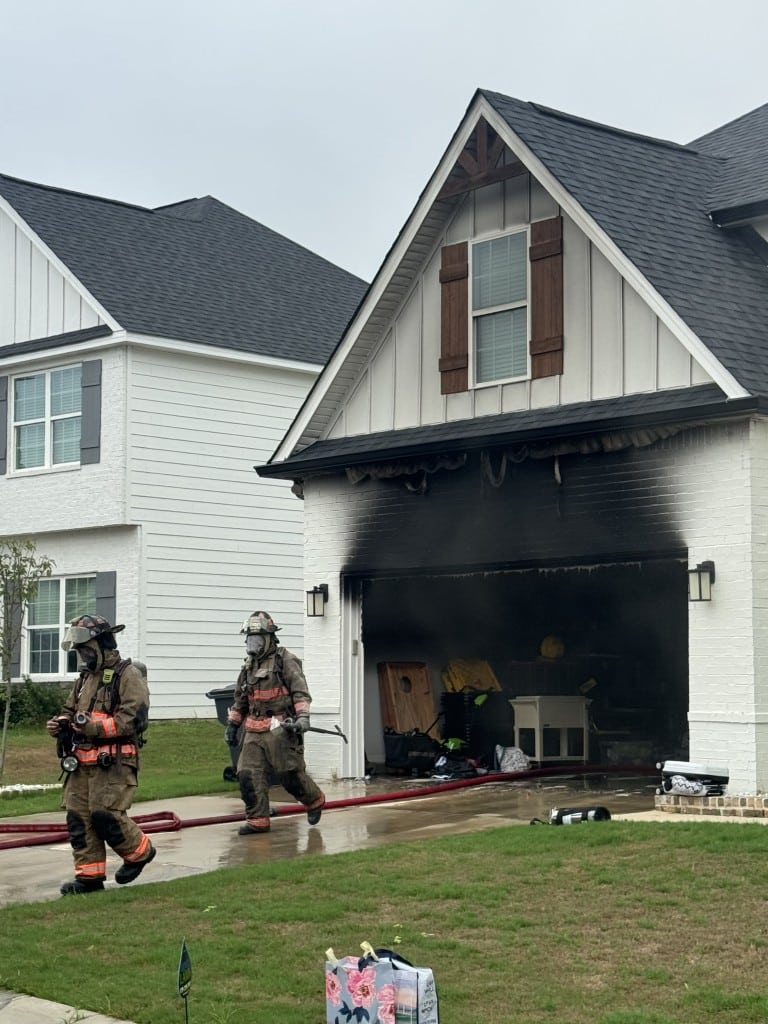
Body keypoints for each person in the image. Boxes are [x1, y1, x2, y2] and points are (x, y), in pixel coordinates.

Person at [45, 614, 154, 895]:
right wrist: (60, 723)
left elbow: (133, 719)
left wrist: (92, 727)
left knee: (105, 815)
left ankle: (140, 852)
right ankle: (89, 878)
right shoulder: (84, 679)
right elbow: (70, 710)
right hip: (81, 762)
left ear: (103, 644)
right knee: (79, 819)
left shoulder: (127, 675)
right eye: (80, 651)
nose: (83, 655)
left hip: (114, 761)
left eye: (86, 649)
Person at [226, 610, 325, 834]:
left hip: (281, 728)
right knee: (247, 774)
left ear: (270, 638)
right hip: (253, 729)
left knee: (289, 774)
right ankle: (258, 820)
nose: (253, 644)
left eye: (257, 638)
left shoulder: (285, 660)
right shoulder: (248, 666)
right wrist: (233, 725)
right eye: (250, 639)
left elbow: (300, 692)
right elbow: (241, 698)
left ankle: (314, 800)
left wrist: (303, 717)